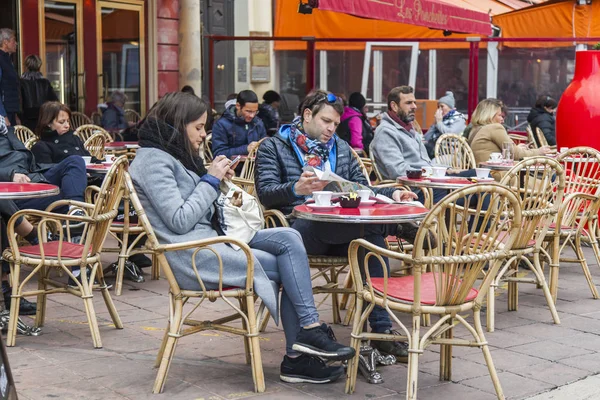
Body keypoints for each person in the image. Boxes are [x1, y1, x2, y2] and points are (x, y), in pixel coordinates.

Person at [129, 92, 355, 384]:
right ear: (176, 122)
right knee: (287, 265)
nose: (203, 134)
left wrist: (220, 183)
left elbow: (198, 206)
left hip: (214, 239)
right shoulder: (153, 161)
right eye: (198, 127)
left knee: (288, 236)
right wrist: (210, 179)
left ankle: (307, 336)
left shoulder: (172, 152)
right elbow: (180, 220)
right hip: (194, 254)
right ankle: (299, 355)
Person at [255, 89, 423, 361]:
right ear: (307, 115)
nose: (331, 129)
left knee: (371, 242)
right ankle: (393, 226)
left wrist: (392, 194)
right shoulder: (274, 146)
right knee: (370, 232)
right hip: (298, 231)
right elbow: (266, 193)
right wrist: (296, 188)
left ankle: (379, 331)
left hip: (344, 228)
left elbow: (362, 187)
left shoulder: (340, 148)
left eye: (335, 124)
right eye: (326, 122)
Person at [371, 86, 478, 205]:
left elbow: (426, 162)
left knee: (480, 178)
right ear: (394, 106)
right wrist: (433, 174)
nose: (414, 107)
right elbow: (397, 170)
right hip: (416, 192)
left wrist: (447, 170)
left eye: (414, 103)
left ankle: (484, 223)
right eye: (408, 103)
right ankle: (487, 223)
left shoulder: (409, 129)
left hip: (431, 185)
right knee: (480, 193)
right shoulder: (386, 132)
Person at [467, 98, 551, 167]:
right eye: (500, 115)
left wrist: (517, 148)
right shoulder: (494, 127)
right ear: (489, 115)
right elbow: (515, 153)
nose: (502, 120)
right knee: (549, 178)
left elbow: (492, 150)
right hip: (502, 178)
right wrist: (539, 151)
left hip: (483, 175)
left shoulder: (475, 129)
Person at [211, 90, 267, 158]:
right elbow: (218, 153)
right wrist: (245, 149)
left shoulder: (258, 123)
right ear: (238, 106)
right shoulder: (221, 125)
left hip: (256, 166)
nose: (252, 115)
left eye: (255, 112)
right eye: (248, 111)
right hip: (232, 167)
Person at [19, 55, 58, 131]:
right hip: (43, 117)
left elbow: (19, 101)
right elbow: (55, 101)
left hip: (26, 117)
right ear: (39, 66)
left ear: (26, 66)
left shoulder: (21, 82)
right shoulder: (45, 82)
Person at [423, 91, 466, 159]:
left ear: (450, 108)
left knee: (433, 161)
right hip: (435, 152)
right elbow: (426, 137)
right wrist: (435, 124)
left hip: (452, 155)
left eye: (442, 106)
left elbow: (450, 134)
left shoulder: (459, 119)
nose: (439, 109)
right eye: (438, 107)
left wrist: (439, 122)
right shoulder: (442, 119)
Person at [0, 29, 20, 126]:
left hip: (10, 109)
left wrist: (15, 114)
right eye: (13, 40)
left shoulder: (8, 59)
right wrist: (3, 115)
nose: (16, 43)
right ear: (5, 42)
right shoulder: (1, 59)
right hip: (4, 111)